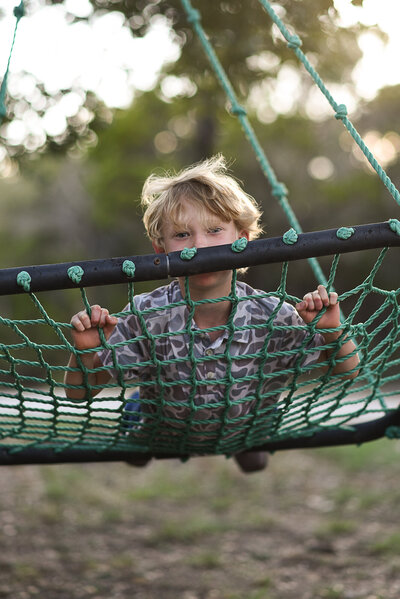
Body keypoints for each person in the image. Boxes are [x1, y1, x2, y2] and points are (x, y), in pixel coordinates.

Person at [64, 155, 359, 473]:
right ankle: (137, 423)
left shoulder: (271, 315)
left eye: (215, 230)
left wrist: (333, 330)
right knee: (137, 436)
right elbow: (79, 392)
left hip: (247, 422)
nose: (198, 247)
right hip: (164, 426)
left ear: (243, 241)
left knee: (255, 443)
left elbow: (347, 371)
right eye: (181, 235)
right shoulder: (146, 314)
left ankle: (247, 444)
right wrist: (85, 351)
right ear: (160, 248)